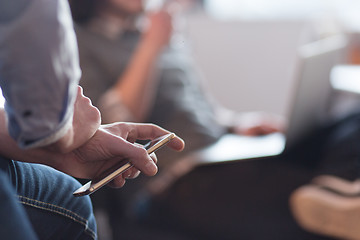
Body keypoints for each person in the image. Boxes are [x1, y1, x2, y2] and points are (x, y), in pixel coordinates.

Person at [69, 0, 283, 238]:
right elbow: (113, 125)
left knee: (310, 147)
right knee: (287, 193)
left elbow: (192, 102)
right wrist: (151, 46)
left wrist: (235, 124)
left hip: (212, 157)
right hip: (168, 182)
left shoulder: (155, 28)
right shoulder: (78, 40)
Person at [0, 0, 184, 239]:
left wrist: (56, 151)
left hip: (211, 147)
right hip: (176, 171)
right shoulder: (84, 38)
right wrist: (60, 135)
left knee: (67, 197)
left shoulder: (159, 36)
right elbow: (47, 117)